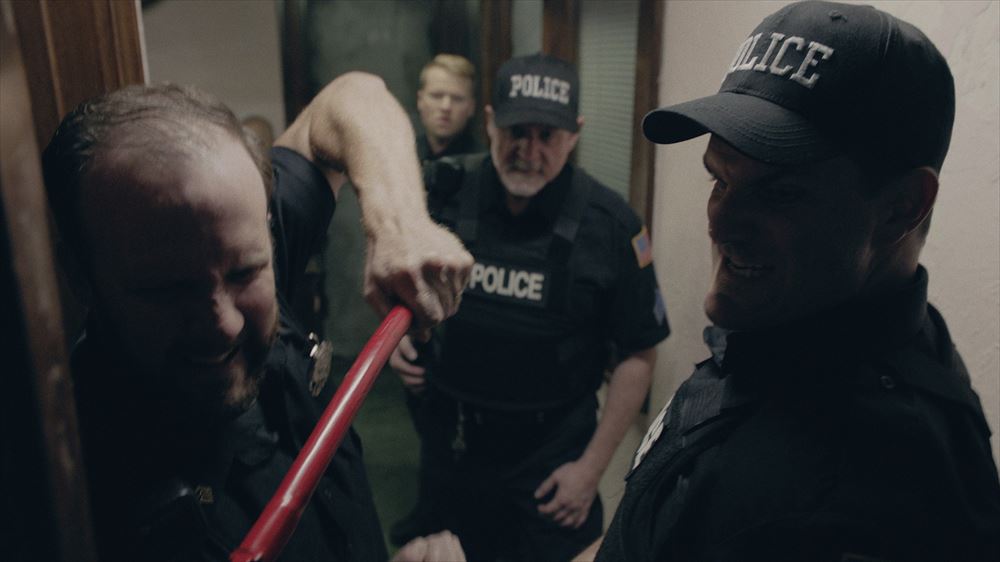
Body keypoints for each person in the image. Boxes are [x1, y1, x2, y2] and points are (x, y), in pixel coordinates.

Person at [590, 2, 1000, 561]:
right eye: (719, 180)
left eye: (780, 193)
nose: (720, 224)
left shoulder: (848, 507)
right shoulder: (795, 330)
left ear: (901, 207)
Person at [41, 72, 472, 561]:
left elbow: (353, 95)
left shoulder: (232, 225)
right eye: (168, 290)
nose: (225, 323)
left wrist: (400, 225)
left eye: (245, 271)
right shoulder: (76, 504)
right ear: (81, 276)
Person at [390, 53, 671, 561]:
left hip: (552, 459)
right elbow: (398, 284)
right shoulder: (440, 193)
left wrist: (591, 469)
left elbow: (639, 353)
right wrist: (400, 338)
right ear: (491, 122)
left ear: (575, 133)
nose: (529, 151)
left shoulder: (612, 225)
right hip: (454, 446)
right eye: (516, 132)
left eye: (547, 136)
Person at [415, 53, 480, 161]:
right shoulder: (401, 156)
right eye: (437, 96)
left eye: (457, 99)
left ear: (471, 107)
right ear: (420, 100)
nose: (446, 107)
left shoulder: (485, 166)